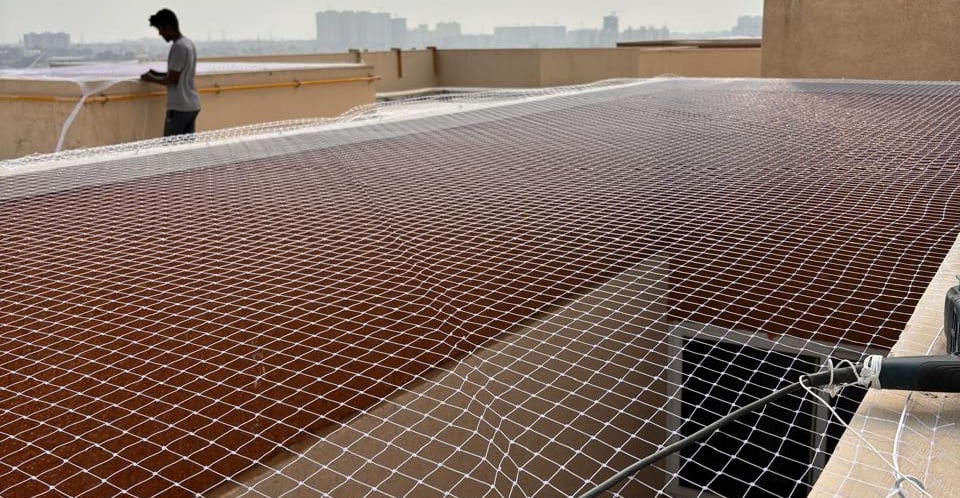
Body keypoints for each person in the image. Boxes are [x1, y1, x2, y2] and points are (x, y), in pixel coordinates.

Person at [140, 9, 201, 137]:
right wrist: (157, 74)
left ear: (168, 26)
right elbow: (178, 73)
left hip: (179, 107)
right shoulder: (188, 43)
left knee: (170, 148)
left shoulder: (178, 46)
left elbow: (173, 79)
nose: (160, 33)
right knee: (185, 148)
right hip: (192, 105)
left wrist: (150, 78)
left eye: (160, 29)